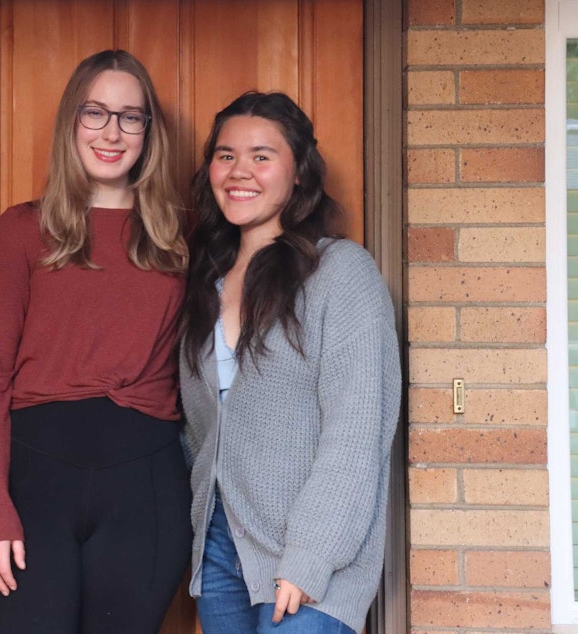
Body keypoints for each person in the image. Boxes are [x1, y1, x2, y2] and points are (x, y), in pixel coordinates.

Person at [0, 49, 192, 634]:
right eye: (95, 112)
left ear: (149, 131)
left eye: (130, 116)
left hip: (147, 493)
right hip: (33, 488)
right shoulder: (21, 230)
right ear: (71, 121)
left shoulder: (180, 238)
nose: (112, 132)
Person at [178, 92, 401, 634]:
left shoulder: (340, 272)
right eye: (226, 155)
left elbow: (355, 431)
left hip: (312, 562)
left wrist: (310, 557)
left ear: (299, 172)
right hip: (220, 554)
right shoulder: (204, 282)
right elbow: (197, 430)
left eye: (261, 155)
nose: (240, 171)